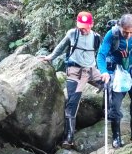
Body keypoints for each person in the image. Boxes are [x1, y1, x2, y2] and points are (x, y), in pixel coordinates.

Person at [41, 11, 103, 146]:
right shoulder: (72, 34)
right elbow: (60, 48)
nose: (83, 29)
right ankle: (69, 135)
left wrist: (104, 72)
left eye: (86, 26)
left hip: (91, 70)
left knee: (109, 85)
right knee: (73, 101)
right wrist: (50, 57)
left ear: (92, 24)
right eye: (80, 26)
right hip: (74, 71)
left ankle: (104, 116)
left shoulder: (97, 37)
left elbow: (102, 54)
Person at [98, 14, 132, 148]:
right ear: (120, 27)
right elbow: (101, 54)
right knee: (114, 105)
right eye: (125, 32)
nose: (128, 35)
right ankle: (116, 136)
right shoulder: (112, 34)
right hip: (115, 71)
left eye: (131, 32)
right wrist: (104, 72)